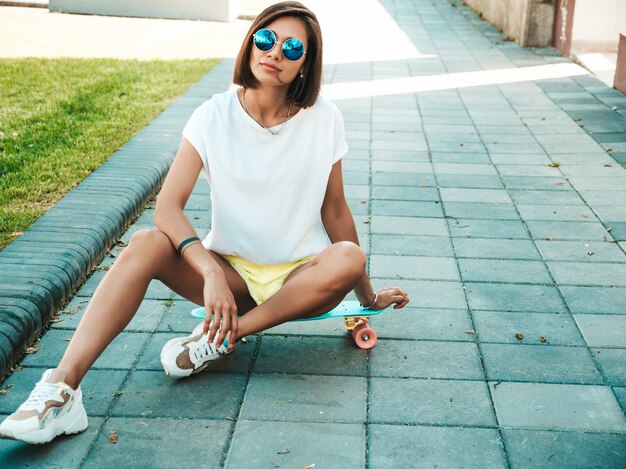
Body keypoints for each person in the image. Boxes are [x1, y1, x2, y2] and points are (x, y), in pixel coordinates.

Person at [0, 1, 409, 445]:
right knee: (145, 243)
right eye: (266, 39)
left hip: (300, 281)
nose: (275, 53)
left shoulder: (324, 118)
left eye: (293, 48)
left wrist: (366, 296)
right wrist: (210, 270)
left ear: (305, 65)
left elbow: (335, 212)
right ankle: (62, 390)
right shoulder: (212, 116)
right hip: (231, 278)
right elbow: (168, 208)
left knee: (348, 255)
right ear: (251, 43)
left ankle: (218, 339)